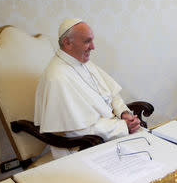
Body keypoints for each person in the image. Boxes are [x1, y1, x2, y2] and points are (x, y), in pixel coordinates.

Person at [34, 18, 140, 159]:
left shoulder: (82, 62)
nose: (93, 47)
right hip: (83, 147)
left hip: (112, 132)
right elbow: (76, 131)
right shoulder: (57, 77)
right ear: (67, 43)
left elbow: (111, 94)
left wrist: (124, 113)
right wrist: (122, 127)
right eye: (87, 41)